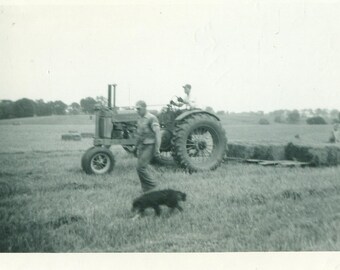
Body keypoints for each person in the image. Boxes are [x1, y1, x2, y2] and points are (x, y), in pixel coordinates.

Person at [135, 100, 161, 193]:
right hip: (141, 146)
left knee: (140, 167)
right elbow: (139, 134)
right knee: (140, 168)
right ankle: (146, 189)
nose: (137, 111)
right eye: (136, 109)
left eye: (139, 109)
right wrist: (135, 147)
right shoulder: (139, 119)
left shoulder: (152, 118)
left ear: (144, 108)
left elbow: (157, 133)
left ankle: (154, 186)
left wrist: (157, 148)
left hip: (150, 146)